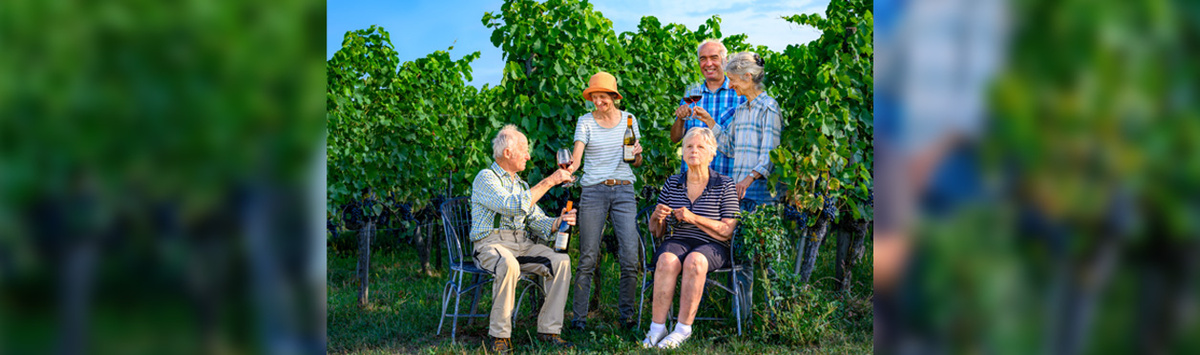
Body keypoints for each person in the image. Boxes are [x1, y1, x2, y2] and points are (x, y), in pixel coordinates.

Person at [470, 125, 578, 353]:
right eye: (524, 150)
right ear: (507, 153)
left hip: (521, 244)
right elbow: (510, 206)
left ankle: (549, 330)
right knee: (508, 263)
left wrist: (559, 221)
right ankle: (500, 337)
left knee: (561, 262)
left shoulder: (521, 185)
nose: (529, 156)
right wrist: (550, 181)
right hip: (491, 245)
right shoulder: (485, 178)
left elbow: (540, 223)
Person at [641, 127, 740, 349]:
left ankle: (682, 330)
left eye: (700, 147)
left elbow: (727, 230)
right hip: (678, 240)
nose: (693, 151)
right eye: (688, 146)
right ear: (683, 153)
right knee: (665, 260)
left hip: (713, 246)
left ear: (712, 152)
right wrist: (657, 218)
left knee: (694, 261)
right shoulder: (672, 183)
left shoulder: (725, 184)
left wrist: (693, 218)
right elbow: (657, 232)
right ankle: (657, 328)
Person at [563, 71, 643, 330]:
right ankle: (579, 319)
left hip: (624, 191)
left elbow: (636, 162)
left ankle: (626, 317)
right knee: (587, 257)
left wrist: (638, 154)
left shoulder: (629, 121)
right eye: (594, 97)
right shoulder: (585, 122)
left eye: (602, 97)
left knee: (630, 257)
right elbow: (576, 157)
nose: (597, 102)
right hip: (594, 191)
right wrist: (567, 169)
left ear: (613, 96)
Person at [694, 52, 782, 206]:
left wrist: (747, 180)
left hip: (760, 197)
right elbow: (729, 147)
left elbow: (770, 154)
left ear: (747, 77)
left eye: (732, 80)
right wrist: (709, 120)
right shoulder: (741, 110)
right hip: (739, 193)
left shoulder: (769, 107)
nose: (730, 85)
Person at [671, 39, 746, 176]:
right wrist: (680, 119)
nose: (708, 64)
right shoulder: (692, 94)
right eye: (703, 59)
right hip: (694, 180)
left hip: (728, 179)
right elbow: (675, 138)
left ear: (725, 61)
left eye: (714, 58)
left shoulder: (741, 94)